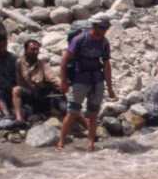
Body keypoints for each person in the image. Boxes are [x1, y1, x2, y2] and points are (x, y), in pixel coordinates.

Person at [57, 13, 115, 151]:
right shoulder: (80, 39)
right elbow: (65, 60)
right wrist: (63, 81)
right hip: (79, 80)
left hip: (97, 80)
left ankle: (91, 144)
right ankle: (61, 142)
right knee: (72, 112)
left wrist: (110, 87)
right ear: (94, 26)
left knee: (93, 114)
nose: (104, 30)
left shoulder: (104, 43)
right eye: (102, 27)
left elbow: (106, 65)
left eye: (106, 28)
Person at [13, 39, 61, 124]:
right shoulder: (19, 63)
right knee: (16, 90)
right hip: (28, 92)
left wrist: (61, 85)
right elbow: (18, 80)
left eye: (37, 49)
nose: (35, 52)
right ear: (26, 50)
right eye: (32, 49)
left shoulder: (42, 64)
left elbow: (52, 78)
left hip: (40, 93)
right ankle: (19, 118)